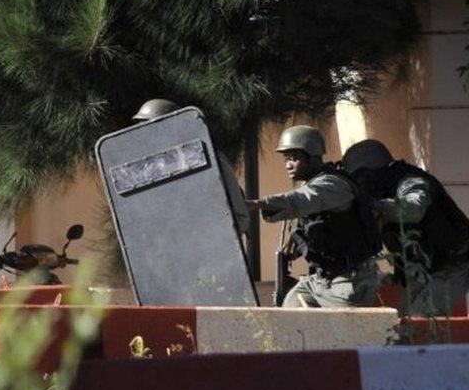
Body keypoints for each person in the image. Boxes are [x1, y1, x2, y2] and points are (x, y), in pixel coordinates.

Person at [247, 126, 381, 308]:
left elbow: (302, 199)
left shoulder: (332, 185)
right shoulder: (311, 185)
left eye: (294, 158)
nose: (288, 165)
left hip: (348, 280)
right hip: (318, 280)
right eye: (286, 159)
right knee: (289, 315)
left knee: (345, 333)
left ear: (313, 157)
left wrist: (258, 203)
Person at [343, 139, 469, 316]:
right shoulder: (383, 190)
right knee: (404, 325)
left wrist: (376, 207)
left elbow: (413, 209)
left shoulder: (410, 181)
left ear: (371, 174)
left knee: (421, 323)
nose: (359, 185)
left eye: (359, 178)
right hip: (424, 271)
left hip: (454, 265)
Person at [131, 99, 251, 235]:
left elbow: (240, 217)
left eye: (151, 129)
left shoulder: (209, 160)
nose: (146, 136)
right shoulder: (147, 172)